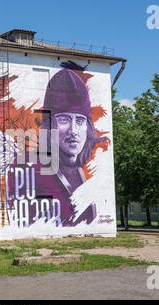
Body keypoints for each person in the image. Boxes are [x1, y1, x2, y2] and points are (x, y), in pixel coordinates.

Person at [33, 68, 108, 227]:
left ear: (88, 127)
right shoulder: (36, 170)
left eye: (80, 121)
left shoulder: (80, 170)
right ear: (50, 124)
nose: (73, 131)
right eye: (64, 120)